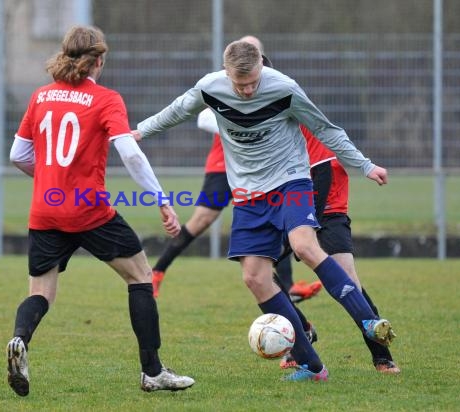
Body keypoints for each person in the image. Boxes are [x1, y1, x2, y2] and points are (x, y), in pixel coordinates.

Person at [133, 39, 396, 381]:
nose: (247, 90)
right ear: (226, 74)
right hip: (248, 194)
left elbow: (326, 129)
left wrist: (364, 166)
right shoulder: (210, 88)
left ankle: (368, 320)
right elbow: (177, 111)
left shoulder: (284, 88)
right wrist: (139, 131)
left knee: (303, 244)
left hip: (291, 180)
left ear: (262, 69)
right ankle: (311, 365)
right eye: (240, 84)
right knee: (254, 277)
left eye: (253, 82)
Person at [6, 25, 194, 397]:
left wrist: (47, 179)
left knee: (41, 292)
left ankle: (19, 340)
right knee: (140, 276)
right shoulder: (106, 99)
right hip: (90, 210)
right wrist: (161, 198)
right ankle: (152, 372)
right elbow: (130, 153)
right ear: (99, 61)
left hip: (45, 209)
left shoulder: (41, 96)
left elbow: (17, 155)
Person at [152, 36, 320, 304]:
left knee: (279, 222)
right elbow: (202, 117)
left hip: (264, 172)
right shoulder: (224, 84)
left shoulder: (269, 82)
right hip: (223, 167)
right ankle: (158, 270)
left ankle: (287, 288)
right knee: (201, 221)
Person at [275, 125, 400, 374]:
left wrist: (308, 226)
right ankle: (304, 331)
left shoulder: (302, 122)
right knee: (259, 271)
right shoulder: (267, 127)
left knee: (349, 283)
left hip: (329, 211)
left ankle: (382, 357)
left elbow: (322, 174)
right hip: (292, 211)